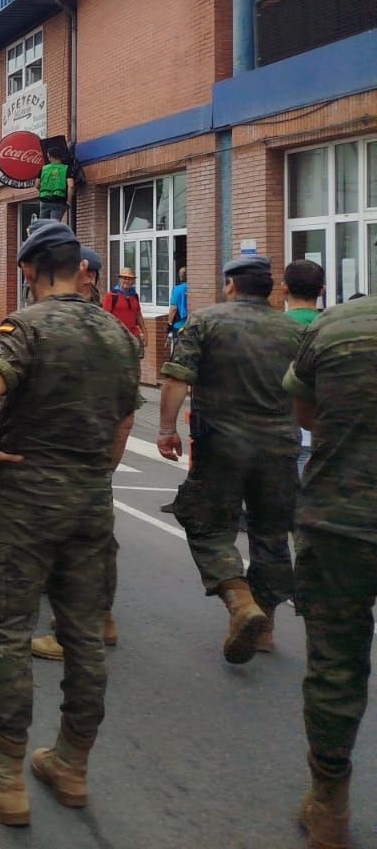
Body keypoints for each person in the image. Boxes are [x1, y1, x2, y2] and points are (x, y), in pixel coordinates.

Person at [0, 220, 139, 826]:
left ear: (28, 270)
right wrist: (91, 473)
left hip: (26, 497)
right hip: (90, 499)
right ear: (79, 268)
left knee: (6, 634)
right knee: (84, 635)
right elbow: (123, 426)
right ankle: (71, 765)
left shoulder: (24, 326)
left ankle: (1, 776)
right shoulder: (119, 332)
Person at [158, 254, 304, 664]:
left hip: (221, 444)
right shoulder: (293, 330)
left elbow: (176, 379)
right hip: (279, 447)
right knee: (272, 535)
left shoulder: (206, 321)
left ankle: (241, 602)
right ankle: (265, 626)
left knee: (205, 524)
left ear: (230, 285)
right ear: (270, 288)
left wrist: (167, 429)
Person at [281, 291, 377, 849]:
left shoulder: (339, 325)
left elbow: (304, 413)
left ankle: (329, 807)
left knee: (337, 666)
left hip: (343, 519)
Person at [31, 243, 122, 662]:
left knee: (73, 538)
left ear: (85, 273)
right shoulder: (107, 323)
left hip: (65, 446)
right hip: (94, 446)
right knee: (94, 535)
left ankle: (79, 626)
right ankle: (98, 617)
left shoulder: (64, 320)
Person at [283, 259, 325, 479]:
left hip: (282, 427)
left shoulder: (273, 326)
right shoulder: (329, 326)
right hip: (322, 427)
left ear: (284, 288)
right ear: (322, 290)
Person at [102, 267, 146, 357]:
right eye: (124, 278)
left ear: (132, 281)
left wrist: (145, 333)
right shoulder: (111, 295)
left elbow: (138, 315)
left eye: (129, 279)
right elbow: (104, 317)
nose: (127, 281)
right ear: (119, 279)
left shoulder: (134, 296)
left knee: (135, 363)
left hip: (134, 335)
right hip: (117, 336)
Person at [37, 146, 73, 223]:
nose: (48, 159)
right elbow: (71, 186)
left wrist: (43, 191)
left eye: (48, 157)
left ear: (52, 157)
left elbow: (37, 185)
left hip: (44, 200)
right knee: (54, 225)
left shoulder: (43, 168)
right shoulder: (66, 168)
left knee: (43, 226)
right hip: (58, 199)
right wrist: (68, 202)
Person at [165, 266, 189, 358]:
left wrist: (169, 323)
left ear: (181, 276)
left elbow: (173, 308)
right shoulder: (193, 288)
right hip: (190, 324)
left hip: (179, 325)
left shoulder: (177, 289)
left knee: (178, 353)